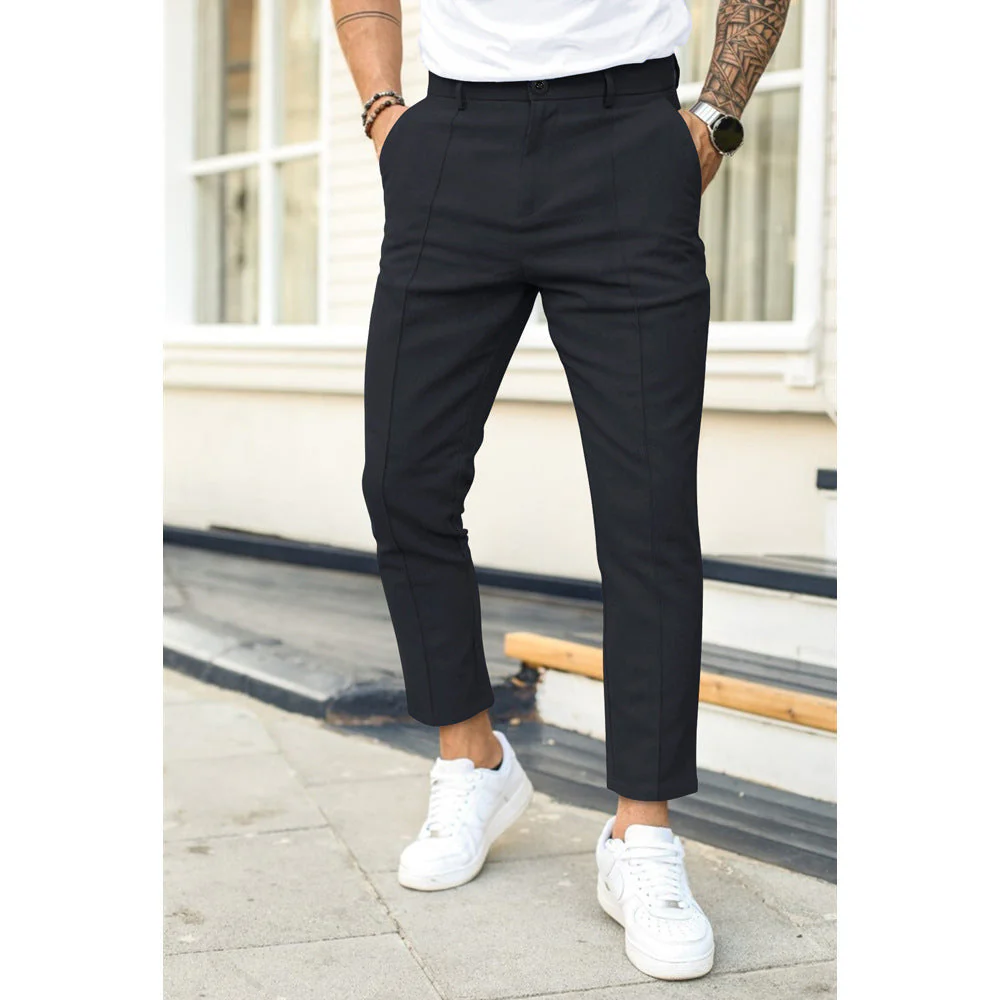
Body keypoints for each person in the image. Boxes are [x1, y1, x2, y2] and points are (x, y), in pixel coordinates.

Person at [332, 0, 792, 981]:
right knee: (404, 478)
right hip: (452, 143)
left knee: (647, 506)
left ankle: (641, 832)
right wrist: (383, 112)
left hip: (627, 138)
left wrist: (714, 114)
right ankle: (473, 757)